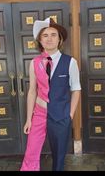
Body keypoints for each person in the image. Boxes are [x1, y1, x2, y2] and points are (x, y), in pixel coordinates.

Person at [20, 17, 81, 171]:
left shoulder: (70, 62)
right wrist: (29, 119)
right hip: (39, 114)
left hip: (61, 115)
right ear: (40, 40)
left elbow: (76, 89)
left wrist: (70, 115)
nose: (49, 39)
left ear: (59, 39)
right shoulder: (35, 62)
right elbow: (32, 91)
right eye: (45, 35)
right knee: (31, 152)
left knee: (59, 155)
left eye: (53, 35)